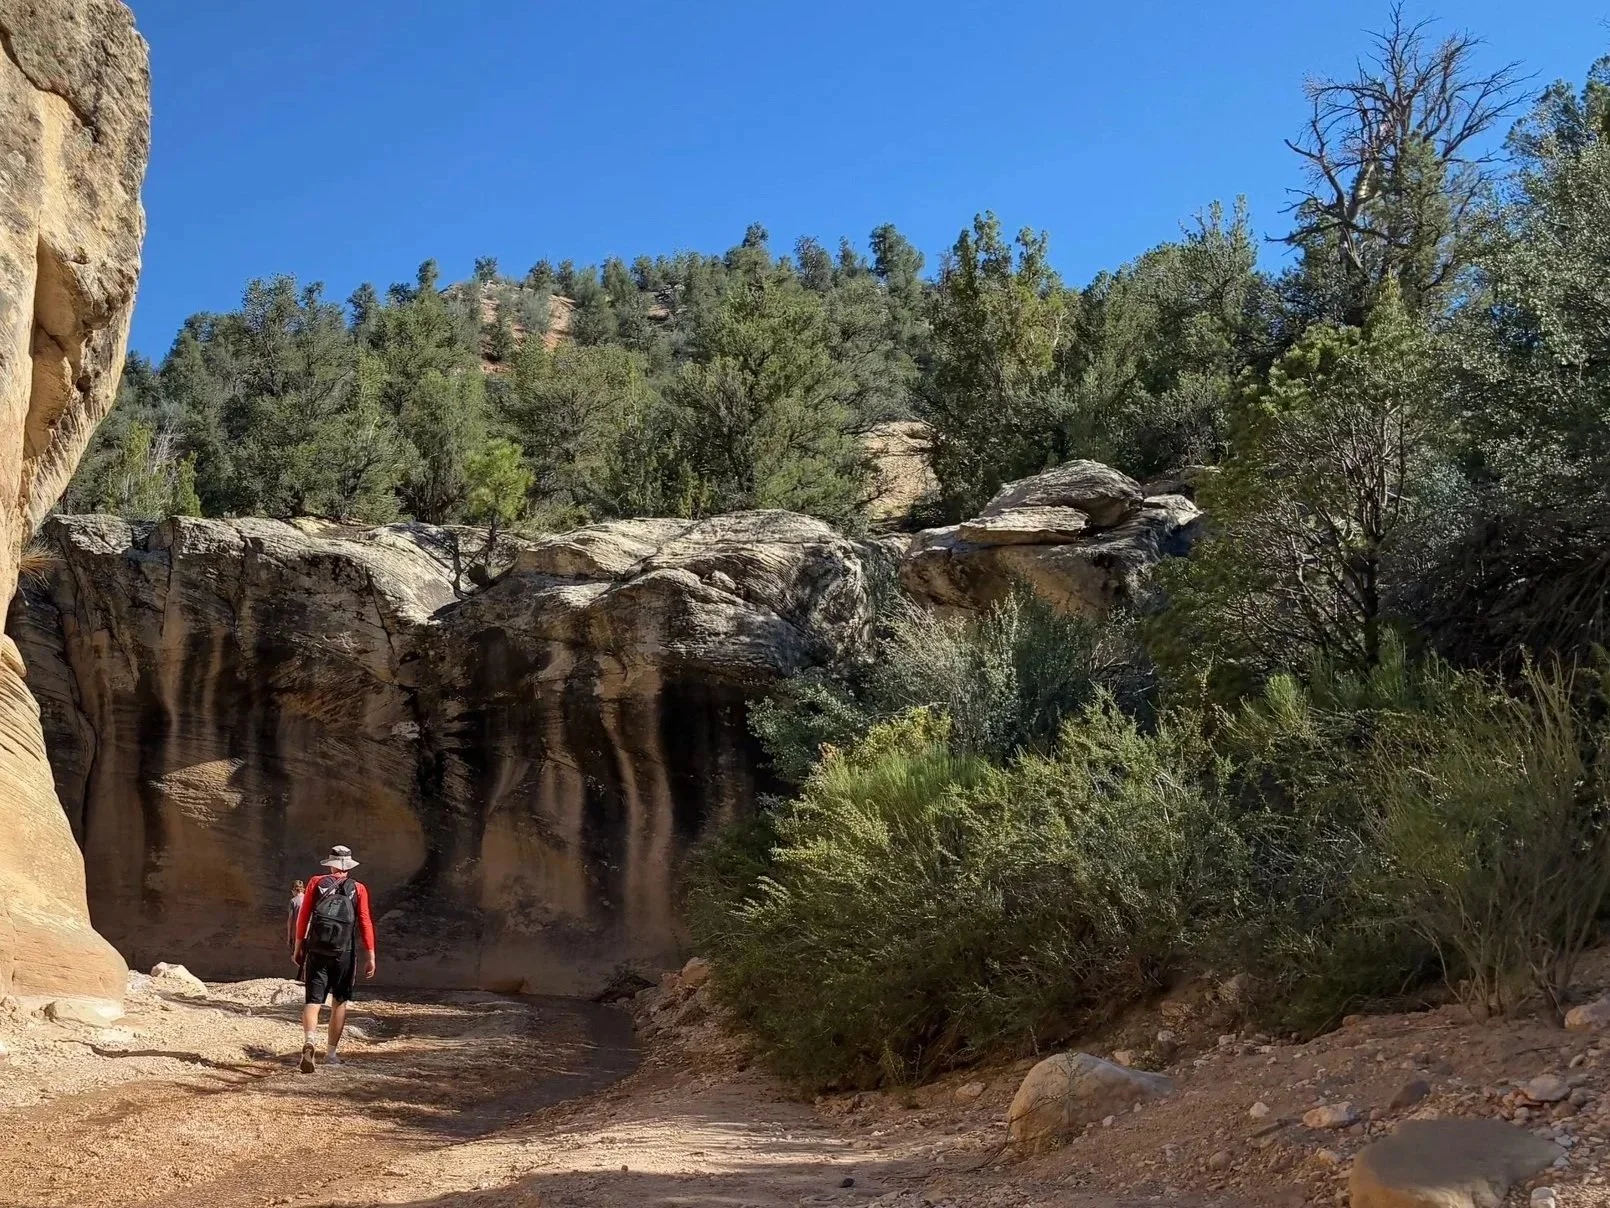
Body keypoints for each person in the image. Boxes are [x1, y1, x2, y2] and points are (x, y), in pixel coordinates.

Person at [290, 845, 376, 1073]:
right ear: (348, 867)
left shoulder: (316, 883)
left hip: (317, 950)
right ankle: (331, 1054)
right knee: (339, 1001)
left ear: (330, 864)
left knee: (312, 1000)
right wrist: (371, 955)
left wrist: (298, 946)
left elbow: (304, 915)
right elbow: (365, 922)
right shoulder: (358, 889)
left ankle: (309, 1040)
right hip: (344, 952)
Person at [286, 879, 306, 954]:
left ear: (293, 890)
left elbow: (290, 920)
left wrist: (289, 937)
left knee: (295, 954)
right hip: (306, 931)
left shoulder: (293, 901)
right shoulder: (307, 899)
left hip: (296, 932)